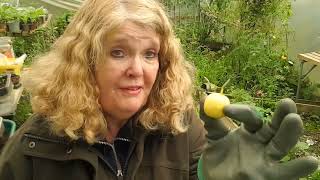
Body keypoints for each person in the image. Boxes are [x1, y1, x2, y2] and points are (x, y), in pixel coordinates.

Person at [0, 0, 318, 180]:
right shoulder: (32, 149)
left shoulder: (181, 128)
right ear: (85, 60)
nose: (137, 70)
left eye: (150, 54)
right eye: (118, 52)